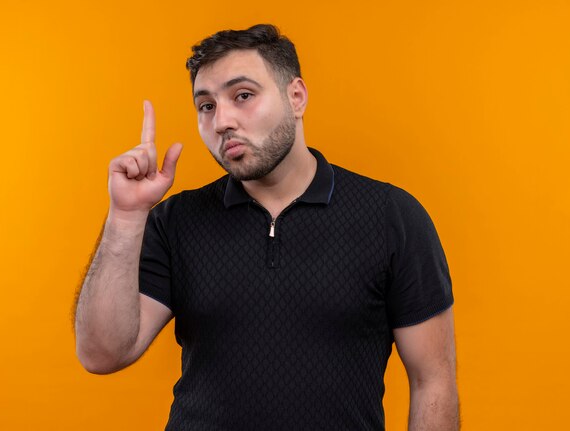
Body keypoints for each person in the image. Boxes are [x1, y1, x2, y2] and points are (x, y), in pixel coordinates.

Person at [75, 24, 459, 431]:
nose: (222, 121)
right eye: (206, 106)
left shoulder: (390, 216)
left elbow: (432, 380)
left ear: (296, 97)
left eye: (243, 96)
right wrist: (125, 217)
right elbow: (102, 353)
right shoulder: (176, 221)